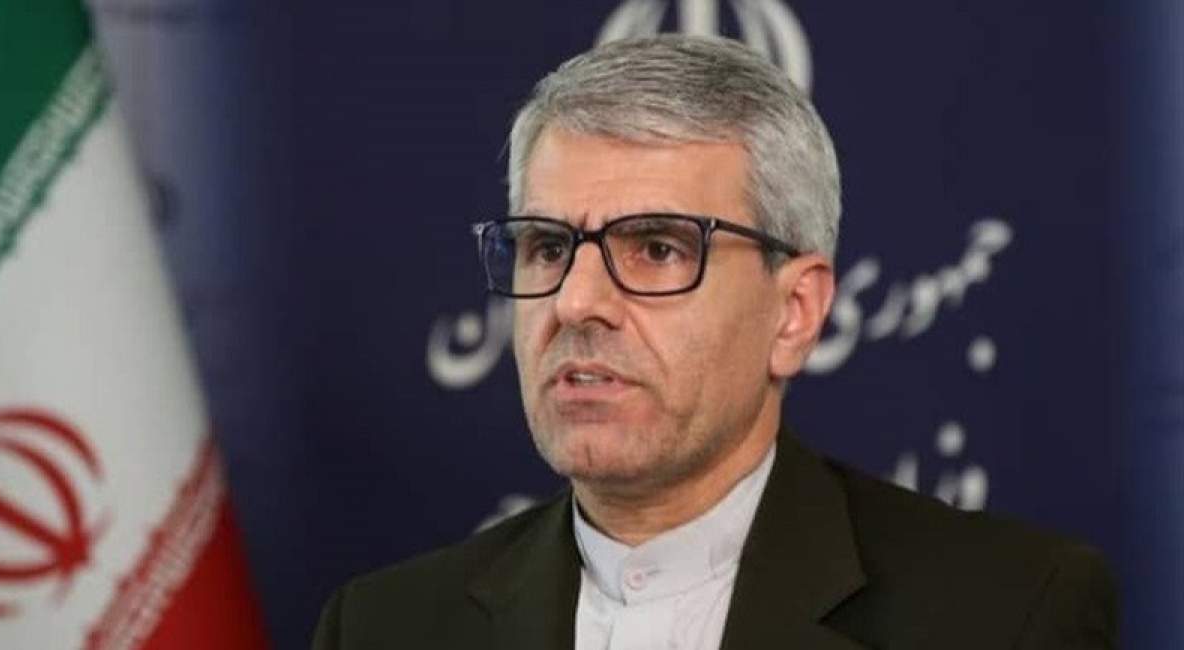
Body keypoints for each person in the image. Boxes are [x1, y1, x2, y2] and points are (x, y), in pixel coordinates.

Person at [312, 35, 1117, 649]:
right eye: (549, 247)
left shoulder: (1007, 614)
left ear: (794, 312)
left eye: (657, 248)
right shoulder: (382, 627)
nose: (576, 302)